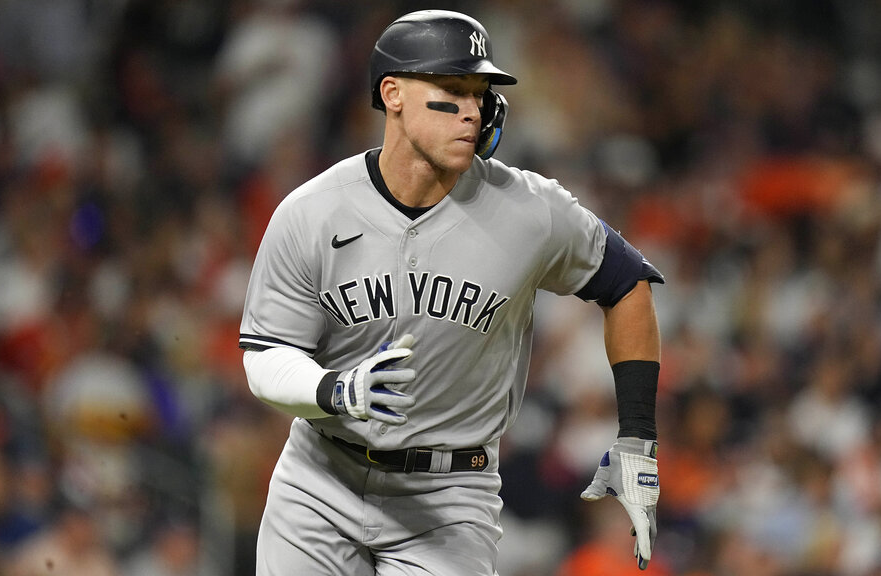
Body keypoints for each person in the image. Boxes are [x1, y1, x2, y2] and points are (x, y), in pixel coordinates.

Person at [239, 9, 664, 575]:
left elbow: (628, 283)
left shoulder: (528, 210)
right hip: (319, 481)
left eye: (480, 93)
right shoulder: (312, 211)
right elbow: (266, 356)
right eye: (451, 90)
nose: (473, 110)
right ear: (392, 93)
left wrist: (638, 436)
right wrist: (333, 389)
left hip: (449, 496)